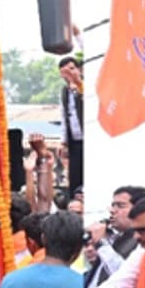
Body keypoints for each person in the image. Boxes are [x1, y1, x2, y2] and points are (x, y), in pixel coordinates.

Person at [59, 56, 84, 194]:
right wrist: (64, 142)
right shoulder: (64, 91)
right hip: (74, 141)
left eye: (72, 69)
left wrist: (77, 83)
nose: (69, 75)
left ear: (79, 69)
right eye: (65, 72)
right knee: (75, 177)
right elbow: (63, 116)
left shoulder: (88, 86)